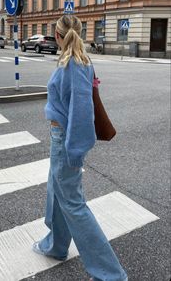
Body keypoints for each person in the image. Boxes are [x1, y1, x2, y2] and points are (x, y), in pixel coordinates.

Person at [32, 15, 128, 281]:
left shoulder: (74, 64)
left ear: (58, 34)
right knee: (56, 193)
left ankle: (111, 274)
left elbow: (82, 113)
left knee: (74, 205)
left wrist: (75, 152)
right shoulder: (73, 61)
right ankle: (56, 246)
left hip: (65, 141)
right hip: (60, 138)